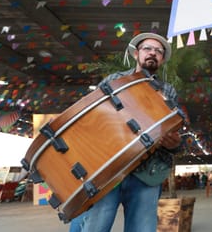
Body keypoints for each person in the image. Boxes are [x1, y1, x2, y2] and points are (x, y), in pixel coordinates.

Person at [71, 32, 183, 232]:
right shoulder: (115, 80)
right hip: (109, 169)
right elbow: (91, 117)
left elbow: (176, 133)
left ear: (162, 59)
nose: (153, 53)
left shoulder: (168, 91)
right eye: (147, 48)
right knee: (95, 227)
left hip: (148, 174)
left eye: (158, 51)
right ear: (135, 54)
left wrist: (174, 144)